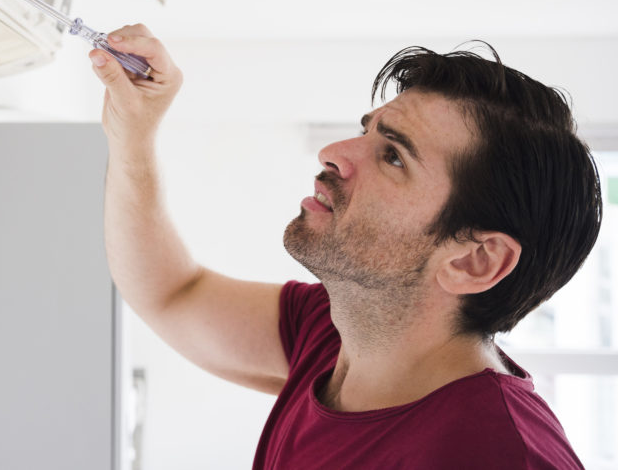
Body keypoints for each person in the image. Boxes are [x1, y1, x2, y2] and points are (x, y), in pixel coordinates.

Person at [89, 25, 601, 469]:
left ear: (474, 260)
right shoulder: (336, 332)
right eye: (367, 131)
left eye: (394, 157)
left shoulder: (497, 455)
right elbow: (173, 292)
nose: (332, 153)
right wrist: (133, 134)